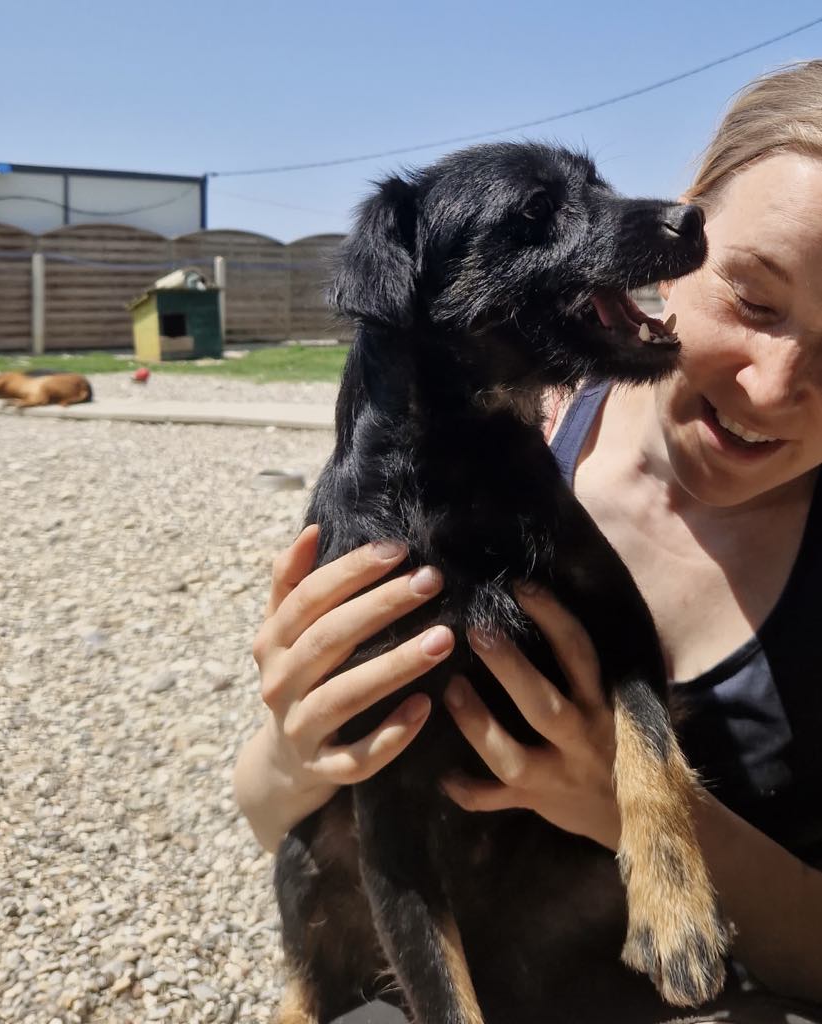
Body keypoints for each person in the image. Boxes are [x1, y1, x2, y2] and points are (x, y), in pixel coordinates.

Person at [234, 61, 822, 1024]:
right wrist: (301, 743)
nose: (770, 386)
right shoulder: (502, 436)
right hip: (433, 962)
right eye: (753, 301)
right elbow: (278, 821)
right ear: (684, 225)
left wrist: (625, 807)